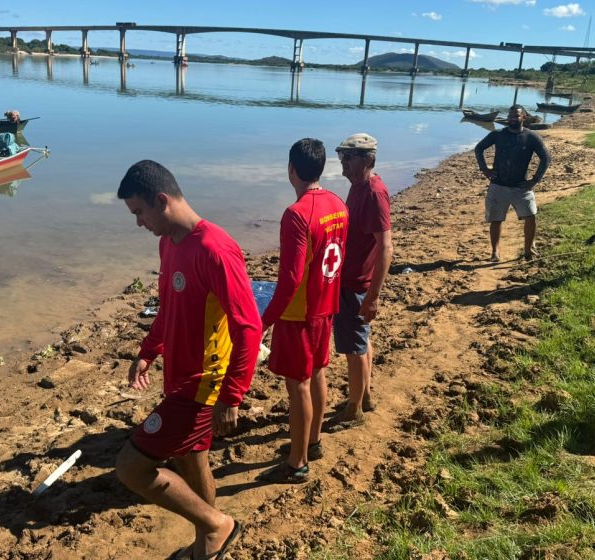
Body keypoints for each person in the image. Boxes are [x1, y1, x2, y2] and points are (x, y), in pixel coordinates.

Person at [114, 160, 261, 560]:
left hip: (203, 383)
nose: (139, 223)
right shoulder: (169, 242)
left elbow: (248, 326)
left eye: (139, 212)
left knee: (130, 467)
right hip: (178, 376)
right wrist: (149, 351)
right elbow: (168, 307)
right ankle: (207, 544)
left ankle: (217, 527)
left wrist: (232, 395)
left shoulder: (215, 249)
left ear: (161, 200)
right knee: (191, 459)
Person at [257, 138, 349, 483]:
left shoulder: (296, 215)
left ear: (291, 169)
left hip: (300, 314)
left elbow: (292, 278)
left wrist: (265, 322)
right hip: (326, 306)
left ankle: (297, 463)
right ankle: (313, 441)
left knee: (298, 384)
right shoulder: (338, 204)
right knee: (318, 373)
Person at [332, 133, 393, 427]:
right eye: (342, 156)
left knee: (353, 351)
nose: (343, 162)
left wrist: (373, 296)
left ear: (368, 160)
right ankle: (364, 395)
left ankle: (353, 409)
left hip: (357, 285)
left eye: (349, 157)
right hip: (352, 282)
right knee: (362, 342)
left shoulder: (373, 192)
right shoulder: (358, 187)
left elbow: (386, 247)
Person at [475, 104, 551, 262]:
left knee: (531, 217)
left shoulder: (531, 137)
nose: (512, 119)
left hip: (521, 187)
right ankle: (495, 252)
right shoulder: (498, 134)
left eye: (515, 116)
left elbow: (546, 158)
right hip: (498, 185)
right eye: (510, 116)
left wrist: (534, 180)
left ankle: (528, 250)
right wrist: (485, 169)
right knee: (496, 219)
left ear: (523, 117)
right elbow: (479, 148)